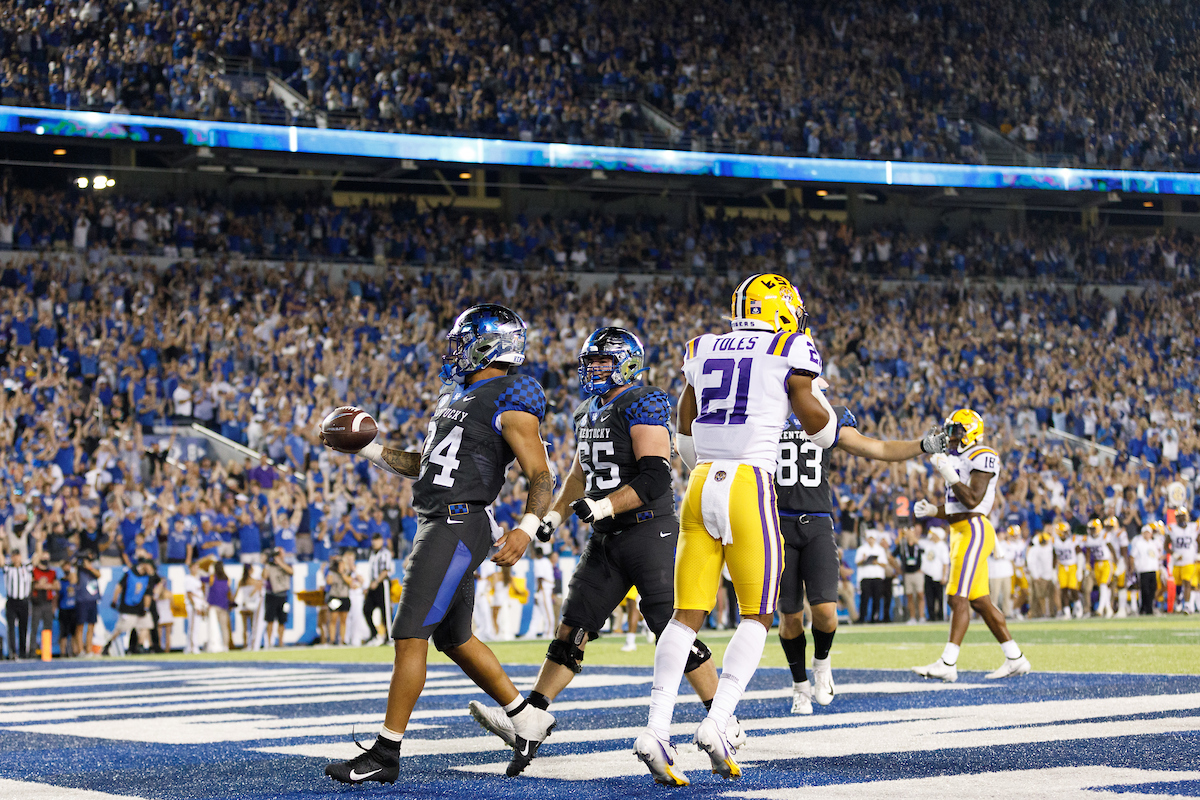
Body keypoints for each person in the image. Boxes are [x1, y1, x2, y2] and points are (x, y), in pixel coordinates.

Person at [468, 327, 733, 777]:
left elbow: (653, 477)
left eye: (602, 363)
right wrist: (553, 516)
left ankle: (721, 719)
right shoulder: (587, 410)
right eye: (590, 362)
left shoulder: (643, 400)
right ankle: (532, 718)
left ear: (627, 363)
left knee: (669, 628)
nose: (593, 370)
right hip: (606, 536)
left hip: (649, 532)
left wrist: (604, 504)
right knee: (573, 628)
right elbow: (578, 475)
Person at [323, 304, 554, 786]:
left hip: (457, 523)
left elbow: (540, 473)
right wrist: (367, 449)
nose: (455, 349)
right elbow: (426, 465)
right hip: (441, 519)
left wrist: (527, 528)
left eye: (464, 339)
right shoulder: (460, 394)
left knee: (410, 635)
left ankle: (386, 754)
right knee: (455, 639)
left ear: (490, 344)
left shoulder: (511, 395)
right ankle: (527, 719)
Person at [636, 274, 834, 785]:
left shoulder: (702, 346)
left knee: (685, 616)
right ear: (782, 309)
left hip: (702, 483)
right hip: (750, 482)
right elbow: (816, 423)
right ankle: (718, 720)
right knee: (758, 614)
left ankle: (656, 728)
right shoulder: (790, 346)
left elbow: (685, 412)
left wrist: (696, 457)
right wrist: (828, 416)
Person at [773, 392, 946, 714]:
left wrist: (922, 445)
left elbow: (877, 448)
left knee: (825, 611)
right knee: (790, 617)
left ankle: (821, 664)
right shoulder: (761, 408)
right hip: (777, 525)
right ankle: (799, 687)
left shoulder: (826, 412)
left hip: (818, 523)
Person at [913, 408, 1030, 682]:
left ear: (971, 432)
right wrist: (933, 511)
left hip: (974, 529)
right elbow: (955, 506)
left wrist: (949, 474)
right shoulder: (959, 458)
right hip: (960, 530)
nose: (951, 437)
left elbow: (973, 500)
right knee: (980, 602)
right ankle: (1015, 658)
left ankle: (948, 663)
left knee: (957, 597)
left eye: (956, 431)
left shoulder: (983, 454)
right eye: (950, 431)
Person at [107, 559, 159, 655]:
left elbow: (148, 594)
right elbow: (119, 587)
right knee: (121, 628)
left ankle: (140, 646)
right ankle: (108, 644)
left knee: (145, 626)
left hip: (140, 608)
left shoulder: (148, 577)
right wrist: (114, 600)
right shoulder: (130, 574)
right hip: (128, 607)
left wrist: (146, 608)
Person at [1086, 518, 1119, 618]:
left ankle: (1100, 608)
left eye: (1093, 528)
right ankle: (1108, 609)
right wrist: (1087, 564)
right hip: (1097, 563)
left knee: (1104, 585)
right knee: (1102, 586)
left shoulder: (1104, 535)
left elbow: (1111, 548)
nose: (1091, 531)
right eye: (1090, 529)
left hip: (1106, 562)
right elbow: (1088, 551)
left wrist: (1116, 562)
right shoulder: (1089, 539)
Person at [3, 550, 33, 659]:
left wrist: (39, 541)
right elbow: (1, 561)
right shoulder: (8, 568)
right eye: (13, 556)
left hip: (23, 601)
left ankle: (23, 652)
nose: (15, 558)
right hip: (12, 601)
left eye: (17, 556)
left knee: (23, 627)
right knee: (11, 628)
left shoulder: (26, 567)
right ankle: (12, 652)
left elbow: (37, 557)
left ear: (20, 557)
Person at [363, 533, 392, 645]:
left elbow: (385, 570)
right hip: (373, 584)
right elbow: (371, 572)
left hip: (382, 584)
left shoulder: (385, 553)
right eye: (373, 540)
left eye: (377, 540)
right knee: (366, 609)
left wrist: (376, 582)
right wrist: (369, 585)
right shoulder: (372, 554)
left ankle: (389, 637)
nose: (375, 542)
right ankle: (374, 634)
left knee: (385, 611)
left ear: (381, 541)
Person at [1168, 508, 1198, 614]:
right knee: (1179, 584)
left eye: (1183, 516)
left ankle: (1188, 606)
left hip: (1189, 560)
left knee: (1187, 582)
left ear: (1186, 516)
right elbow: (1166, 545)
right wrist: (1174, 554)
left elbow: (1198, 540)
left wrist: (1198, 553)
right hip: (1177, 561)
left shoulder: (1193, 527)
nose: (1181, 518)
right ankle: (1179, 603)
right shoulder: (1172, 528)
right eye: (1179, 516)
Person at [29, 551, 59, 657]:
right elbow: (34, 586)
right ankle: (32, 651)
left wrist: (44, 585)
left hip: (47, 602)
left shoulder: (52, 572)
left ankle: (46, 651)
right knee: (34, 627)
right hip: (37, 602)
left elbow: (57, 586)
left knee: (47, 628)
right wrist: (46, 585)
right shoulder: (34, 571)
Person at [263, 547, 294, 648]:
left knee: (282, 620)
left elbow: (291, 572)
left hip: (283, 596)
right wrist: (267, 562)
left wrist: (280, 562)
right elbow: (264, 576)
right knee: (270, 620)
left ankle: (281, 642)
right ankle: (269, 642)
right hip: (271, 595)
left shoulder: (286, 565)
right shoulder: (269, 566)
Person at [1130, 523, 1164, 615]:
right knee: (1145, 590)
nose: (1147, 534)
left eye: (1148, 533)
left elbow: (1157, 556)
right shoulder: (1138, 543)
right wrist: (1132, 567)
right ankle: (1145, 608)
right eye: (1145, 533)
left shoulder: (1153, 543)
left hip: (1153, 569)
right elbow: (1132, 556)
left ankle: (1147, 608)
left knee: (1152, 589)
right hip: (1143, 569)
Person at [1051, 521, 1081, 618]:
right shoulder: (1055, 541)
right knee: (1063, 589)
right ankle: (1067, 611)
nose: (1067, 533)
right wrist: (1053, 570)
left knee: (1073, 589)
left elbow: (1079, 554)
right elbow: (1054, 556)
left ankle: (1078, 607)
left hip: (1072, 566)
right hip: (1062, 567)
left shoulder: (1072, 540)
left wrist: (1080, 569)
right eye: (1065, 531)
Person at [897, 526, 925, 627]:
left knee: (920, 595)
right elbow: (892, 556)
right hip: (908, 574)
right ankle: (912, 617)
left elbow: (926, 553)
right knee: (910, 596)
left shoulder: (919, 544)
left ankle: (921, 616)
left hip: (917, 572)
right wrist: (898, 569)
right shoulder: (902, 545)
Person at [920, 526, 950, 622]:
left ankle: (941, 616)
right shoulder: (929, 544)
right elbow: (917, 541)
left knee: (940, 598)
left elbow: (945, 563)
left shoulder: (942, 546)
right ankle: (931, 616)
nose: (932, 535)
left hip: (938, 576)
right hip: (928, 574)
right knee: (929, 597)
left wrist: (944, 576)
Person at [1026, 530, 1057, 619]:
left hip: (1049, 575)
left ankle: (1050, 612)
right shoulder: (1035, 549)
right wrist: (1036, 575)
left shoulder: (1050, 547)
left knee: (1050, 596)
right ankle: (1042, 613)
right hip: (1040, 576)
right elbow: (1031, 563)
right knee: (1039, 596)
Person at [207, 562, 234, 652]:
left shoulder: (212, 578)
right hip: (223, 605)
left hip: (213, 606)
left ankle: (214, 645)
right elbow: (229, 592)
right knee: (224, 627)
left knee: (213, 626)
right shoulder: (227, 579)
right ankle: (225, 646)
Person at [183, 560, 208, 654]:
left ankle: (191, 646)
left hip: (198, 605)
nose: (196, 569)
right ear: (190, 568)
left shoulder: (197, 578)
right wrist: (195, 606)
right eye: (194, 567)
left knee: (196, 627)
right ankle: (192, 647)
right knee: (193, 627)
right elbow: (189, 594)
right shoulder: (188, 579)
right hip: (193, 606)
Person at [325, 554, 351, 645]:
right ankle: (332, 639)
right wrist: (332, 569)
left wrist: (342, 573)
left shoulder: (347, 572)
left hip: (344, 596)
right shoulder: (332, 572)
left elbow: (350, 582)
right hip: (335, 596)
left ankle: (342, 640)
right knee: (333, 619)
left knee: (343, 620)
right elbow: (329, 581)